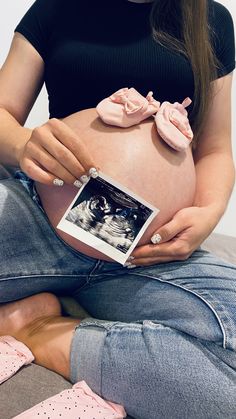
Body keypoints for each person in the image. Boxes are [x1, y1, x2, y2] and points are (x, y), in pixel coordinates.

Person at [0, 0, 236, 417]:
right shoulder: (55, 9)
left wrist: (209, 212)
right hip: (40, 222)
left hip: (147, 258)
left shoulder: (211, 19)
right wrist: (22, 145)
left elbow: (216, 147)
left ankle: (40, 330)